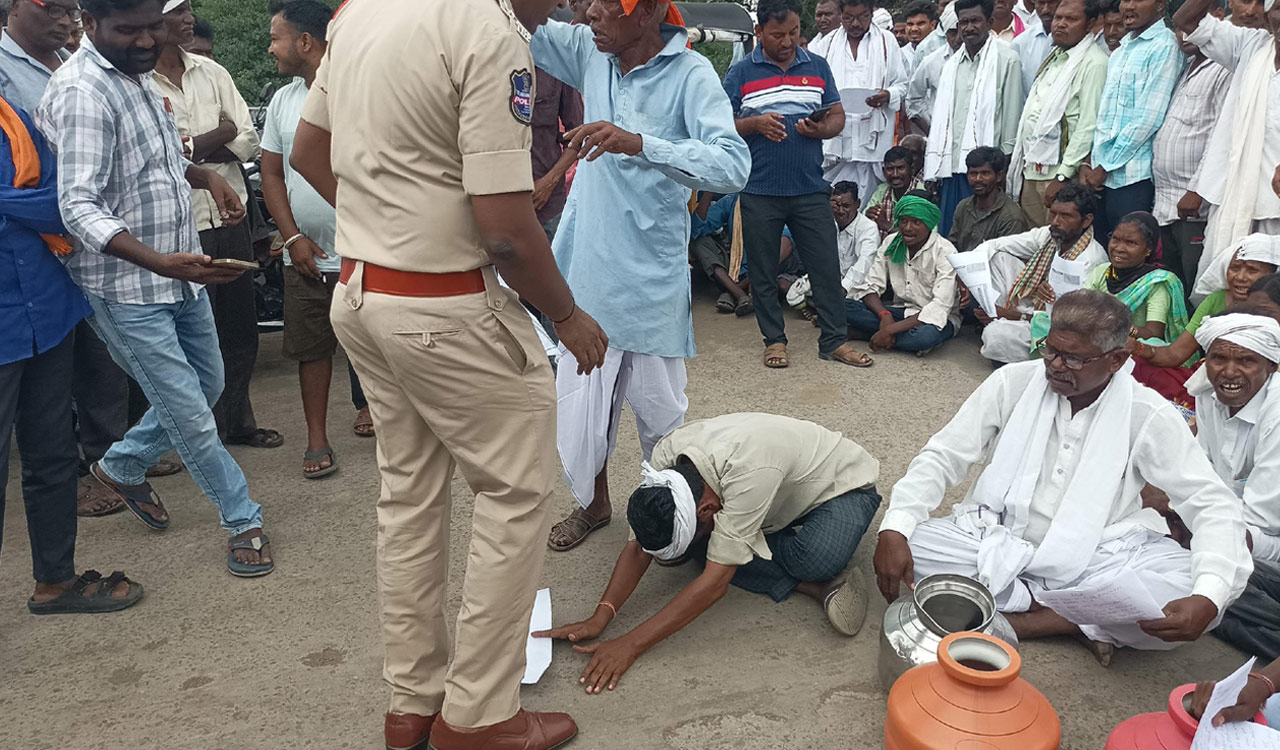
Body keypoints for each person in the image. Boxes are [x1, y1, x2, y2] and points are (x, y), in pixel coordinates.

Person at [290, 0, 611, 746]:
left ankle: (414, 703)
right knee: (513, 497)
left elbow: (310, 152)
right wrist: (565, 315)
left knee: (408, 498)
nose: (563, 5)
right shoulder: (490, 34)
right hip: (443, 307)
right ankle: (480, 714)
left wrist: (387, 229)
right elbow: (503, 229)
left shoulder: (361, 13)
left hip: (365, 294)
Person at [873, 288, 1253, 666]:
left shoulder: (1148, 413)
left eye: (1072, 358)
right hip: (993, 537)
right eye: (1050, 350)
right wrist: (895, 528)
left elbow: (1211, 504)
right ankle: (1079, 617)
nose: (1054, 365)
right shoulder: (1013, 382)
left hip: (1098, 555)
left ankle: (1037, 619)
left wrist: (1208, 595)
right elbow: (945, 455)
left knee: (1196, 592)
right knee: (913, 543)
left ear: (1117, 360)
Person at [39, 0, 276, 577]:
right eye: (129, 29)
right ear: (89, 24)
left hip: (179, 269)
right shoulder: (82, 92)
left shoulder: (137, 77)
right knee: (190, 411)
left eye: (154, 26)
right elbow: (78, 206)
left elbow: (161, 157)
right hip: (127, 283)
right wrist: (160, 264)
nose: (146, 39)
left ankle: (120, 467)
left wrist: (206, 181)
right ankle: (242, 519)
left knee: (210, 380)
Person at [533, 1, 753, 550]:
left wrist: (640, 144)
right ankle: (595, 504)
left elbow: (733, 165)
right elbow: (524, 22)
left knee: (661, 416)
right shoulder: (589, 51)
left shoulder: (691, 73)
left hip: (652, 281)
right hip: (589, 273)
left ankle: (671, 513)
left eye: (607, 5)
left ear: (650, 10)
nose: (590, 16)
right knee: (584, 411)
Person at [534, 413, 884, 693]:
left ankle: (816, 579)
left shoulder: (750, 471)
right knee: (700, 553)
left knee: (815, 560)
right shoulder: (665, 461)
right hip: (774, 497)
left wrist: (630, 644)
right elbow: (639, 548)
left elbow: (716, 585)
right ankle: (811, 586)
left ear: (706, 509)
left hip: (840, 488)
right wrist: (601, 616)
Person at [0, 0, 161, 517]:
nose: (65, 18)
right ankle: (93, 472)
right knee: (43, 399)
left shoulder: (79, 62)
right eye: (51, 6)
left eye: (72, 8)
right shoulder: (5, 72)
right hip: (36, 255)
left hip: (89, 252)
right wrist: (67, 204)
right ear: (13, 6)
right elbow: (39, 185)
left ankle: (112, 460)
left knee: (103, 364)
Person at [0, 90, 145, 616]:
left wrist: (12, 203)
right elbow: (54, 202)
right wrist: (31, 203)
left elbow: (67, 200)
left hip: (46, 311)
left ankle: (55, 581)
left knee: (53, 456)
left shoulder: (12, 114)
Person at [152, 0, 281, 450]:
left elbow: (248, 138)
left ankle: (237, 423)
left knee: (239, 329)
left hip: (230, 217)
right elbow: (160, 154)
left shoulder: (214, 72)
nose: (188, 18)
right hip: (174, 225)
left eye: (189, 9)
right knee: (179, 336)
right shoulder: (136, 81)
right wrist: (216, 136)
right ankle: (194, 435)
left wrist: (192, 149)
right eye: (179, 9)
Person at [725, 0, 870, 370]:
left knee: (825, 266)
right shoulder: (741, 73)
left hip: (809, 189)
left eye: (792, 33)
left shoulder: (817, 67)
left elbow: (836, 115)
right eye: (778, 35)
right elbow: (721, 123)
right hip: (760, 189)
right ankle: (774, 340)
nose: (787, 41)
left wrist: (821, 128)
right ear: (759, 33)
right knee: (762, 269)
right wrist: (753, 124)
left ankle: (834, 341)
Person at [260, 1, 367, 480]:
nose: (270, 47)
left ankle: (393, 423)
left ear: (306, 42)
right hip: (307, 256)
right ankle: (317, 437)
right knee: (310, 348)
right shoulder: (283, 101)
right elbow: (270, 175)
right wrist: (292, 237)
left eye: (276, 37)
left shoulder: (362, 90)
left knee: (380, 346)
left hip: (367, 251)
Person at [1183, 314, 1280, 661]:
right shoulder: (1207, 394)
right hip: (1234, 529)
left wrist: (1198, 523)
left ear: (1271, 365)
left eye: (1246, 360)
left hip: (1266, 542)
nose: (1228, 371)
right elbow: (1197, 475)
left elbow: (1262, 521)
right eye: (1218, 358)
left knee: (1198, 574)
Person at [1174, 0, 1280, 302]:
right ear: (1267, 14)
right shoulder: (1251, 46)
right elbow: (1185, 18)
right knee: (1230, 286)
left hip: (1276, 207)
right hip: (1237, 199)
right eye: (1278, 8)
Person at [1130, 236, 1280, 409]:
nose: (1240, 277)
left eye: (1252, 270)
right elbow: (1176, 353)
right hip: (1210, 376)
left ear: (1272, 272)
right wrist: (1137, 348)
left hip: (1254, 384)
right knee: (1139, 366)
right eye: (1235, 268)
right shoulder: (1216, 300)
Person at [1079, 0, 1182, 241]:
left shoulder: (1164, 46)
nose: (1128, 6)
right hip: (1100, 175)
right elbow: (1105, 115)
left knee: (1129, 254)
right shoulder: (1122, 49)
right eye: (1125, 0)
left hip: (1133, 177)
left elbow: (1147, 118)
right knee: (1101, 252)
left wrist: (1105, 166)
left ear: (1159, 5)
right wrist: (1090, 162)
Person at [923, 0, 1024, 238]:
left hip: (986, 171)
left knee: (984, 239)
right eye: (964, 22)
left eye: (975, 21)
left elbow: (1011, 117)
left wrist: (1002, 170)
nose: (969, 28)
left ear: (989, 23)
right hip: (953, 168)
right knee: (952, 237)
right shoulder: (951, 65)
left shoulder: (1006, 59)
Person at [977, 183, 1109, 364]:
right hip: (1030, 306)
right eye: (1054, 213)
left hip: (1051, 324)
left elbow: (1073, 323)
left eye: (1065, 216)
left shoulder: (1090, 260)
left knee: (995, 335)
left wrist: (1017, 316)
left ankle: (1008, 337)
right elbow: (993, 245)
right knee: (997, 258)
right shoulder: (1049, 235)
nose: (1055, 221)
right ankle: (998, 321)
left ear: (1086, 220)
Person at [1008, 0, 1108, 227]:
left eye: (1071, 19)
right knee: (1035, 244)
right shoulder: (1054, 58)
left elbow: (1088, 125)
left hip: (1059, 175)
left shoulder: (1095, 62)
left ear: (1090, 24)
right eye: (1058, 18)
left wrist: (1062, 176)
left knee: (1059, 241)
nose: (1060, 24)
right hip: (1032, 168)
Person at [1150, 25, 1231, 293]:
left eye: (1191, 27)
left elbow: (1221, 137)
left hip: (1193, 206)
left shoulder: (1223, 69)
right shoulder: (1187, 66)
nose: (1183, 35)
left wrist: (1196, 189)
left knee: (1192, 285)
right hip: (1165, 203)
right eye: (1179, 29)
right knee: (1170, 285)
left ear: (1217, 19)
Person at [810, 0, 910, 206]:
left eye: (862, 17)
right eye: (848, 18)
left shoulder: (886, 41)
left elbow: (902, 84)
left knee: (872, 205)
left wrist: (888, 95)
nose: (855, 23)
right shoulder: (824, 45)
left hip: (874, 140)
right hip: (837, 141)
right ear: (840, 15)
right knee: (835, 204)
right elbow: (813, 89)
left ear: (871, 14)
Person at [848, 195, 961, 355]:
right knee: (845, 306)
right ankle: (895, 338)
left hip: (934, 319)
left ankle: (867, 335)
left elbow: (939, 307)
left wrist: (889, 330)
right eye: (903, 221)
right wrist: (885, 316)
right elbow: (870, 286)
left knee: (925, 337)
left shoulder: (945, 251)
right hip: (900, 311)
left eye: (916, 222)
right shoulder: (891, 242)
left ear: (928, 223)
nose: (908, 228)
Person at [531, 66, 583, 243]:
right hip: (498, 203)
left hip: (547, 205)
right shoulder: (488, 65)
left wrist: (548, 183)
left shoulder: (555, 67)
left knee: (555, 268)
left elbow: (578, 137)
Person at [949, 147, 1033, 254]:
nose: (978, 179)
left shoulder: (1010, 216)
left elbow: (1006, 259)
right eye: (973, 174)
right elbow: (952, 246)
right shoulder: (963, 206)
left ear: (999, 176)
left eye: (985, 173)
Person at [905, 3, 961, 134]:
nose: (959, 38)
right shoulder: (931, 58)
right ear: (945, 33)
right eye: (953, 33)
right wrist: (932, 127)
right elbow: (913, 98)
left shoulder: (992, 55)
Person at [865, 146, 928, 240]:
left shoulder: (921, 193)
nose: (895, 174)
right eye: (890, 169)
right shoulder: (882, 191)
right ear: (883, 171)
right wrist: (868, 217)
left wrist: (888, 226)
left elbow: (924, 236)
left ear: (912, 169)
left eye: (900, 168)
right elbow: (864, 224)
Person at [1012, 0, 1057, 96]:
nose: (1046, 10)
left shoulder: (1074, 40)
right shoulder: (1021, 43)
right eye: (1041, 3)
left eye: (1052, 2)